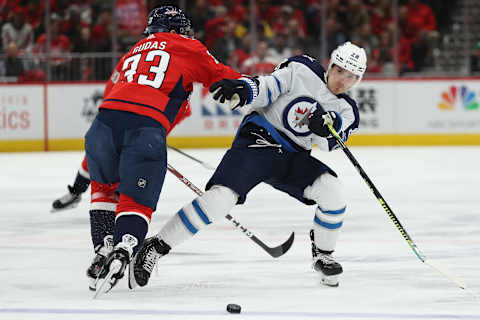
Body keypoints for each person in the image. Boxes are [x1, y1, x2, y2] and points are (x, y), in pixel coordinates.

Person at [132, 41, 367, 288]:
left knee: (333, 191)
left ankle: (323, 254)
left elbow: (330, 143)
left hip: (292, 157)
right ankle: (156, 246)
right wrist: (245, 89)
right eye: (340, 71)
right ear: (331, 65)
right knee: (220, 199)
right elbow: (270, 85)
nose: (343, 80)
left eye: (351, 77)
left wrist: (326, 127)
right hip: (258, 140)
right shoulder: (302, 69)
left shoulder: (347, 109)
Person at [85, 6, 243, 294]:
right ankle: (125, 247)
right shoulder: (188, 46)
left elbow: (113, 97)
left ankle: (103, 247)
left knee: (104, 190)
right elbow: (227, 79)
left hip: (102, 127)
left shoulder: (133, 51)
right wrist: (254, 89)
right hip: (145, 131)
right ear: (178, 29)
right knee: (135, 203)